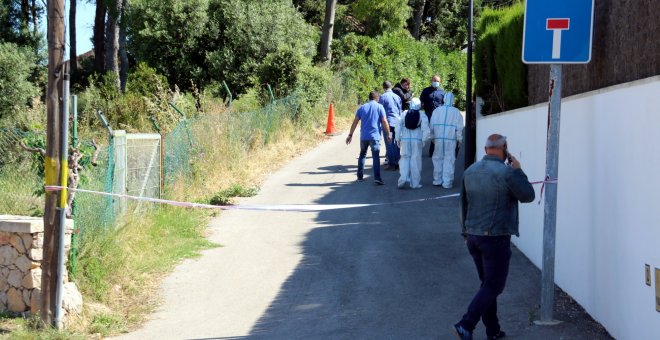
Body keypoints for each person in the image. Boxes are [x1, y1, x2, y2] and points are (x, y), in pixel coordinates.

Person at [453, 134, 535, 340]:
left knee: (487, 285)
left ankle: (493, 331)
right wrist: (518, 170)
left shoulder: (470, 171)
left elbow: (463, 204)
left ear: (485, 149)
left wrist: (464, 231)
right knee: (494, 285)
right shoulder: (507, 173)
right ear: (505, 148)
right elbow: (528, 195)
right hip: (495, 238)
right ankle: (466, 324)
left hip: (473, 236)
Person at [346, 91, 391, 185]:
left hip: (364, 137)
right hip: (375, 137)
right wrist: (388, 133)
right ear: (377, 98)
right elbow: (384, 121)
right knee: (375, 157)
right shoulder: (379, 107)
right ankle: (377, 178)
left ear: (369, 97)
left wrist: (350, 135)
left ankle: (359, 176)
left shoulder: (362, 107)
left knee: (362, 155)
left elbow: (355, 122)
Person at [430, 92, 464, 188]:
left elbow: (431, 125)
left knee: (437, 158)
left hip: (438, 139)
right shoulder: (456, 112)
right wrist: (459, 139)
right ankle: (447, 182)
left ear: (444, 99)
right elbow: (459, 128)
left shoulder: (437, 111)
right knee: (449, 159)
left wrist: (432, 137)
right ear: (452, 100)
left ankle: (437, 180)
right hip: (451, 139)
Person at [396, 98, 430, 189]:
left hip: (405, 139)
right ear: (419, 105)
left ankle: (403, 178)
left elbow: (398, 126)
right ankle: (415, 183)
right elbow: (425, 129)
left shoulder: (404, 113)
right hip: (416, 140)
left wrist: (398, 138)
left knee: (404, 159)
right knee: (415, 161)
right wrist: (424, 140)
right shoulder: (422, 114)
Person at [378, 81, 402, 171]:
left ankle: (392, 163)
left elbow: (380, 111)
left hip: (388, 123)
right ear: (391, 87)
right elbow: (400, 110)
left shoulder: (383, 97)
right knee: (396, 142)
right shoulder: (397, 97)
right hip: (397, 122)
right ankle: (397, 161)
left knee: (389, 142)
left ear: (383, 87)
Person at [419, 75, 445, 157]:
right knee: (427, 132)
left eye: (437, 81)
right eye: (434, 80)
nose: (436, 82)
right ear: (431, 80)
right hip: (428, 114)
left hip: (438, 115)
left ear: (440, 82)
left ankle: (433, 151)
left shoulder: (442, 92)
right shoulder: (425, 91)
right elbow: (421, 101)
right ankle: (417, 148)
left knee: (437, 132)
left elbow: (444, 104)